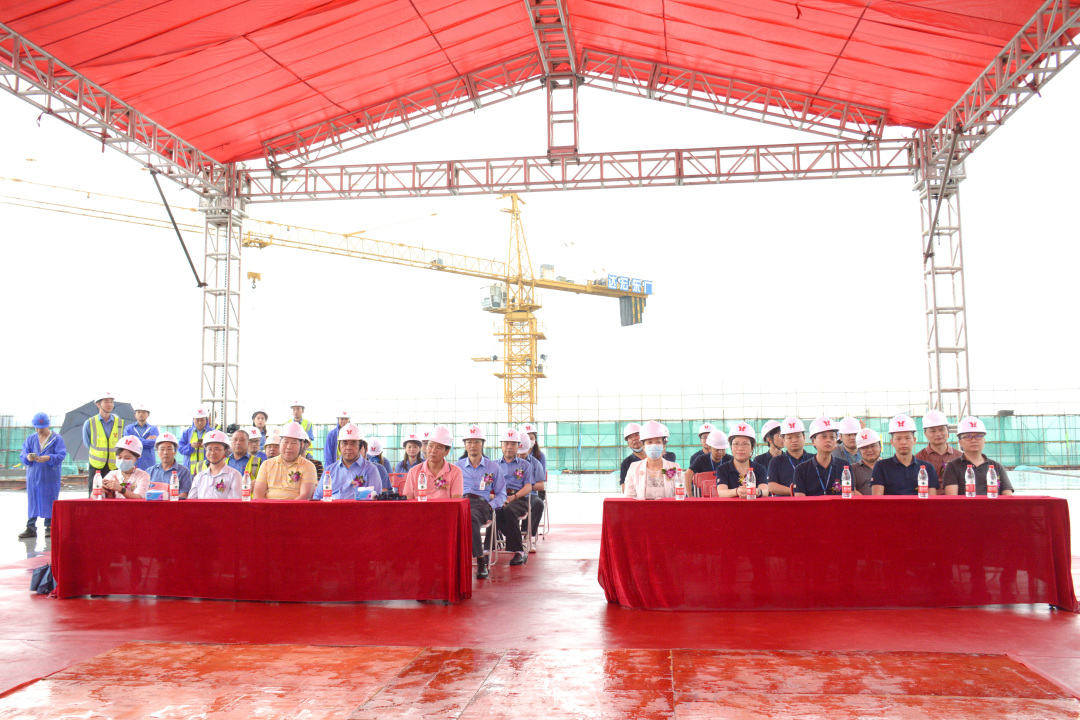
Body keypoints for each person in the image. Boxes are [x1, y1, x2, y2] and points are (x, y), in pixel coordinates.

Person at [456, 425, 506, 579]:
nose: (473, 445)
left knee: (470, 517)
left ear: (483, 444)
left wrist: (491, 506)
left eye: (477, 442)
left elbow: (501, 493)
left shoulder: (493, 467)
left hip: (482, 504)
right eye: (469, 442)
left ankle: (480, 561)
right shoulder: (457, 467)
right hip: (461, 502)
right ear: (465, 445)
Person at [490, 429, 534, 566]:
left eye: (513, 444)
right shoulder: (493, 465)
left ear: (518, 446)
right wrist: (498, 498)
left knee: (508, 510)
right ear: (501, 445)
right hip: (498, 497)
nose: (509, 447)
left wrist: (513, 497)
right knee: (492, 510)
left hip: (517, 499)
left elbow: (528, 487)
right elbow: (487, 486)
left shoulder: (525, 465)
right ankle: (486, 551)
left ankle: (518, 551)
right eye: (506, 443)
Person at [18, 412, 66, 538]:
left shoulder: (56, 439)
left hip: (49, 476)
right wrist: (28, 457)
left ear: (48, 426)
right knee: (33, 500)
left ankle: (49, 526)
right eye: (37, 428)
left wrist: (48, 457)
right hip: (33, 476)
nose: (39, 430)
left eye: (42, 428)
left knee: (50, 499)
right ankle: (30, 527)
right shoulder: (31, 439)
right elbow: (23, 454)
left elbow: (61, 455)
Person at [941, 416, 1014, 496]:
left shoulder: (996, 466)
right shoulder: (953, 466)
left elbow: (1008, 497)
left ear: (984, 440)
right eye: (968, 437)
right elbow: (952, 498)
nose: (974, 440)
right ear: (960, 442)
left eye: (978, 436)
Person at [872, 414, 939, 495]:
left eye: (907, 438)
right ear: (892, 442)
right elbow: (877, 498)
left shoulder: (927, 468)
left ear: (914, 440)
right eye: (898, 438)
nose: (903, 442)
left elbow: (931, 499)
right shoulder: (881, 466)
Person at [254, 422, 318, 500]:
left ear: (301, 445)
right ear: (280, 443)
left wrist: (286, 508)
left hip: (296, 507)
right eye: (285, 442)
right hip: (269, 507)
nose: (289, 447)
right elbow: (258, 496)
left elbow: (305, 496)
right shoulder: (266, 465)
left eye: (294, 443)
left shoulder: (308, 466)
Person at [321, 424, 383, 499]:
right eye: (344, 443)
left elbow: (375, 501)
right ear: (339, 446)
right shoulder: (329, 472)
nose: (348, 447)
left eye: (353, 443)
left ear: (360, 446)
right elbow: (317, 499)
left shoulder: (370, 470)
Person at [623, 421, 681, 500]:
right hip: (641, 508)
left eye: (658, 442)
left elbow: (680, 496)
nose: (654, 445)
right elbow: (629, 498)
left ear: (663, 446)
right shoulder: (634, 468)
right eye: (649, 442)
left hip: (668, 508)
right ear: (644, 447)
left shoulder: (674, 468)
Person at [81, 391, 124, 496]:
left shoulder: (119, 423)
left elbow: (122, 443)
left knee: (113, 495)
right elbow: (88, 443)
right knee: (94, 494)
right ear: (98, 404)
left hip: (114, 466)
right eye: (106, 402)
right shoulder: (90, 423)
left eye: (111, 402)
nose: (110, 404)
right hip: (96, 466)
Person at [402, 425, 463, 499]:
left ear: (447, 452)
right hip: (420, 506)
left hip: (445, 507)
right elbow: (409, 500)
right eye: (430, 446)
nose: (433, 451)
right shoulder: (414, 472)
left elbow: (455, 502)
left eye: (438, 447)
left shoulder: (455, 472)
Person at [792, 417, 849, 496]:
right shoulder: (801, 469)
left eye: (832, 437)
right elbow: (800, 499)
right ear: (813, 441)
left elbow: (849, 495)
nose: (828, 440)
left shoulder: (844, 467)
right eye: (824, 437)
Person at [715, 423, 770, 498]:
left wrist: (756, 491)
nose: (740, 448)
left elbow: (765, 491)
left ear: (752, 448)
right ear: (731, 447)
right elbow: (721, 492)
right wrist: (737, 491)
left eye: (745, 444)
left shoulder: (760, 468)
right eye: (736, 444)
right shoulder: (722, 469)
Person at [187, 430, 242, 499]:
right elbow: (191, 502)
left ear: (225, 451)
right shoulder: (199, 477)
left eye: (217, 449)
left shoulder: (234, 475)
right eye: (209, 449)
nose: (213, 453)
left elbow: (235, 503)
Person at [767, 417, 811, 496]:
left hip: (810, 501)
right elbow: (771, 486)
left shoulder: (813, 459)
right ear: (783, 440)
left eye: (798, 436)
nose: (794, 440)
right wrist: (795, 492)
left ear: (804, 438)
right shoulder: (776, 461)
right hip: (784, 502)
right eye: (789, 437)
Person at [915, 409, 962, 479]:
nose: (938, 434)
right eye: (933, 431)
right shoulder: (918, 459)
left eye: (941, 429)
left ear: (947, 431)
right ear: (925, 434)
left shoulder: (959, 457)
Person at [517, 430, 545, 546]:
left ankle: (528, 535)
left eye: (523, 453)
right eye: (518, 453)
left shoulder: (535, 463)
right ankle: (510, 534)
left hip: (529, 495)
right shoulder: (506, 463)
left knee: (538, 504)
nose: (520, 456)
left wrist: (527, 486)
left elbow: (541, 485)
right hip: (513, 495)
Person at [684, 428, 731, 494]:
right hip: (703, 495)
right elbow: (687, 474)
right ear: (709, 448)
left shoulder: (730, 460)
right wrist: (689, 494)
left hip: (725, 495)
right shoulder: (700, 459)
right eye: (717, 449)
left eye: (723, 449)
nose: (720, 452)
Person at [147, 432, 192, 500]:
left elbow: (184, 494)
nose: (165, 453)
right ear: (157, 452)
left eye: (169, 449)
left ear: (175, 452)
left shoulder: (184, 472)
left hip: (175, 506)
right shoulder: (149, 471)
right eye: (162, 449)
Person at [123, 403, 159, 471]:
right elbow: (128, 443)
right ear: (135, 414)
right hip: (132, 461)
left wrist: (134, 440)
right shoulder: (128, 428)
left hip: (148, 461)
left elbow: (154, 443)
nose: (141, 414)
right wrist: (146, 440)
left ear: (148, 414)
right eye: (138, 412)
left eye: (143, 412)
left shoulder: (153, 428)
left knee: (149, 477)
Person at [849, 428, 881, 495]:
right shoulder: (853, 469)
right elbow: (851, 490)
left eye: (873, 446)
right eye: (864, 447)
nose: (869, 450)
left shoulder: (888, 467)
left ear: (880, 446)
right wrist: (867, 500)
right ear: (859, 450)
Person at [179, 407, 210, 473]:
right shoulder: (186, 433)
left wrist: (206, 447)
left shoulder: (212, 433)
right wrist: (191, 446)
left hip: (207, 471)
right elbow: (181, 449)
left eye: (202, 420)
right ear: (193, 420)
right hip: (190, 471)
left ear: (206, 420)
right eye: (197, 420)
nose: (200, 423)